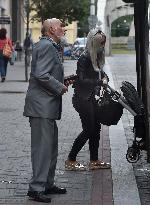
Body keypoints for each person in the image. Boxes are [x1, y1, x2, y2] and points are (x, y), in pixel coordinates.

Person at [23, 18, 68, 203]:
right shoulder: (47, 46)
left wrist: (61, 82)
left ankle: (47, 184)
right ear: (51, 29)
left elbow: (47, 73)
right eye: (61, 26)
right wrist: (60, 87)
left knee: (50, 149)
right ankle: (36, 188)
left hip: (46, 107)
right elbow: (41, 74)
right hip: (41, 107)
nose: (63, 29)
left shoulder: (49, 45)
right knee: (42, 150)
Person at [65, 29, 111, 171]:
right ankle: (71, 159)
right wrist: (99, 82)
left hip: (90, 98)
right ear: (93, 43)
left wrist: (105, 79)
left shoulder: (96, 58)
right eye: (100, 43)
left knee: (96, 129)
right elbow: (82, 80)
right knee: (89, 129)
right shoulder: (84, 58)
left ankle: (94, 160)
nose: (102, 46)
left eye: (103, 43)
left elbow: (102, 75)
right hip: (82, 99)